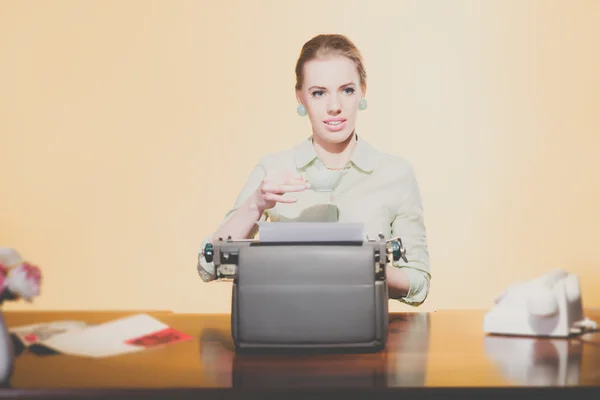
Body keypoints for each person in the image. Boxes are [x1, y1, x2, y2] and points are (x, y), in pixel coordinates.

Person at [197, 34, 431, 306]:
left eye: (347, 90)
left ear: (362, 91)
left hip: (365, 334)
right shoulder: (274, 168)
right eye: (319, 93)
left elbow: (418, 284)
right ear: (300, 97)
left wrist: (363, 265)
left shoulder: (396, 173)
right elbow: (207, 265)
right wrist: (256, 204)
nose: (334, 107)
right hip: (285, 333)